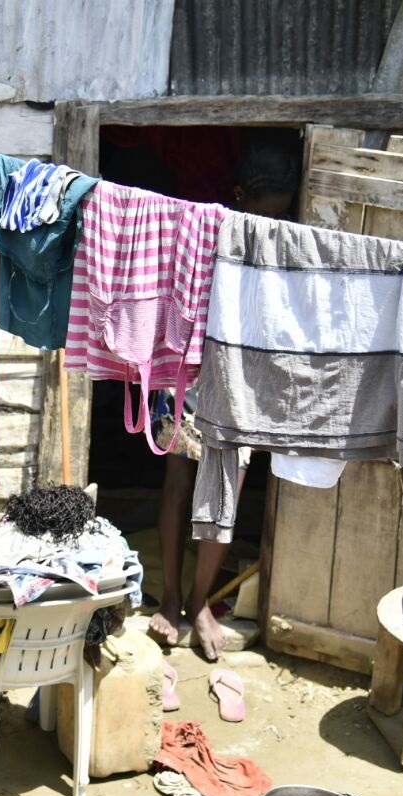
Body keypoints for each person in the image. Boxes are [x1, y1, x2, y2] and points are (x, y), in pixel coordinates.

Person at [148, 138, 300, 661]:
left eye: (280, 215)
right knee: (179, 479)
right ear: (237, 195)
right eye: (263, 213)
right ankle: (169, 598)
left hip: (246, 376)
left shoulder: (286, 242)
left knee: (229, 487)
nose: (270, 225)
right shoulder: (198, 232)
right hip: (187, 364)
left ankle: (200, 601)